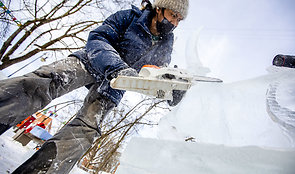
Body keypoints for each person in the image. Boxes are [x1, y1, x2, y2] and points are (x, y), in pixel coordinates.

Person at [0, 0, 189, 173]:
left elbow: (155, 75)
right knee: (45, 82)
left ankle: (42, 169)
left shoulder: (165, 44)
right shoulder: (130, 17)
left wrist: (170, 89)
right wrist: (116, 67)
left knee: (86, 130)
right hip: (92, 61)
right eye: (173, 15)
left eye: (179, 20)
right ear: (159, 8)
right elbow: (98, 38)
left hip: (116, 85)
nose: (175, 23)